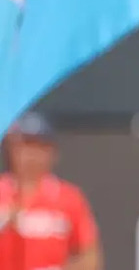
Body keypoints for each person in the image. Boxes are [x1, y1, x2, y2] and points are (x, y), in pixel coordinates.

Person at [0, 112, 102, 270]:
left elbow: (90, 257)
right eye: (26, 145)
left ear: (52, 152)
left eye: (40, 147)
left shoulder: (69, 198)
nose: (32, 155)